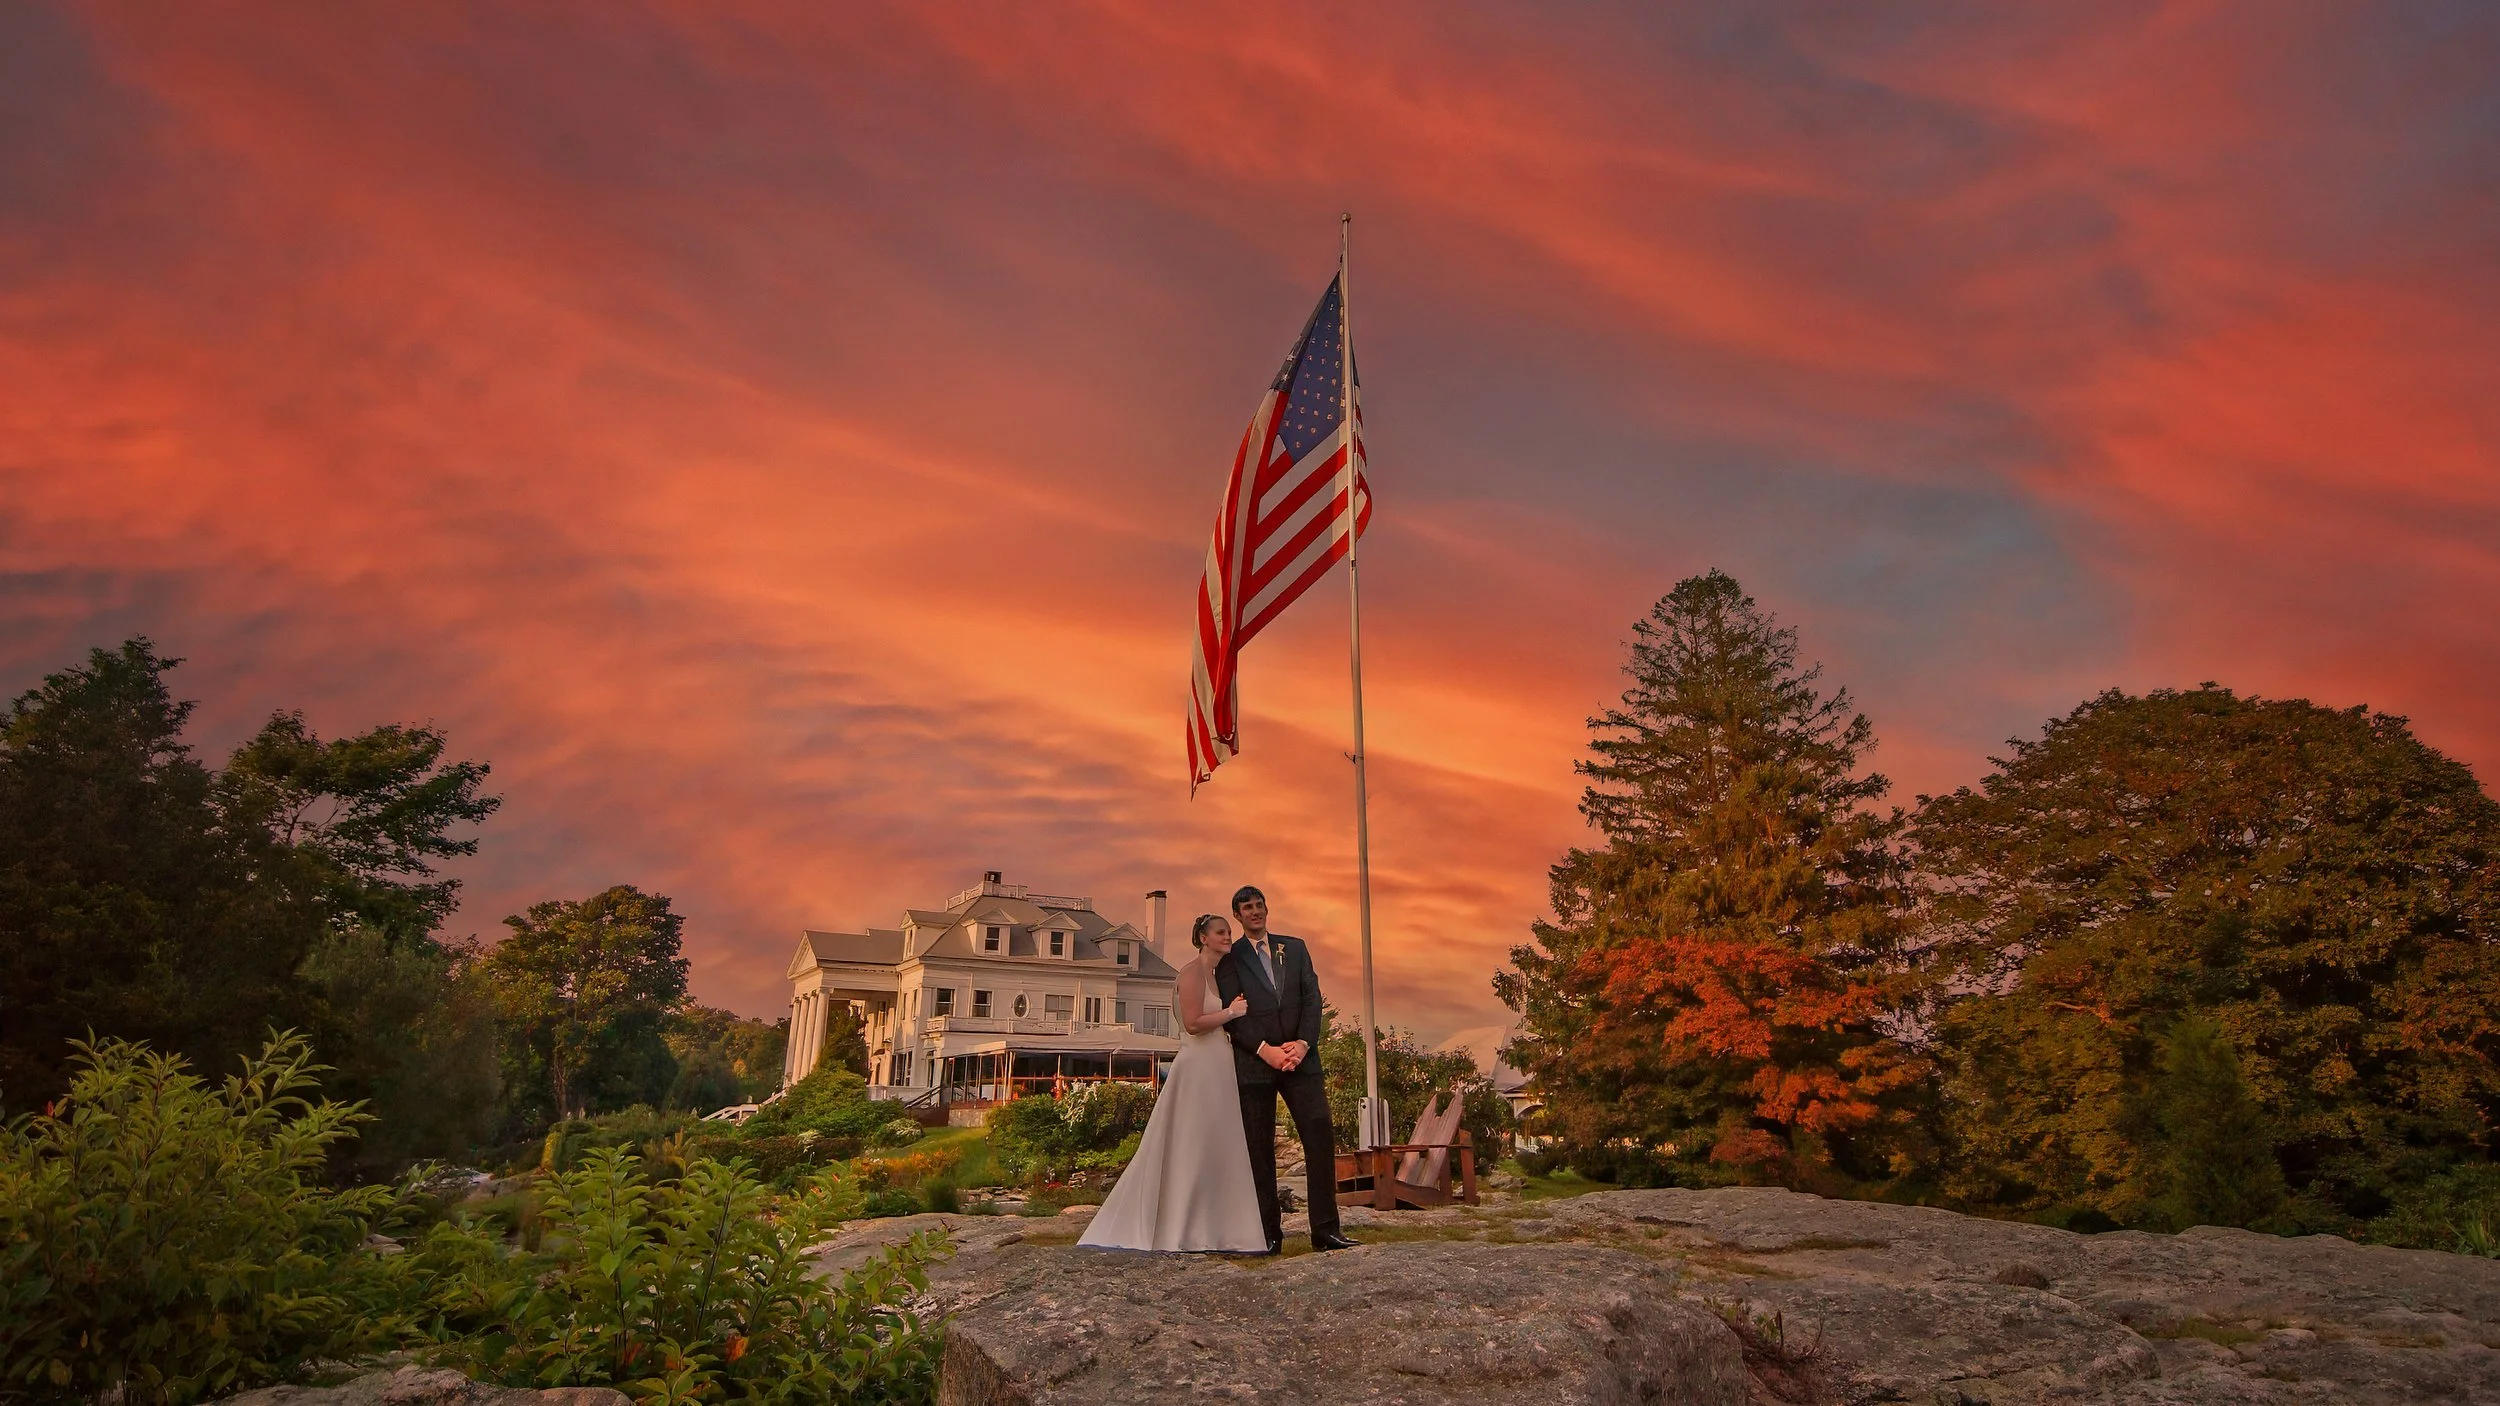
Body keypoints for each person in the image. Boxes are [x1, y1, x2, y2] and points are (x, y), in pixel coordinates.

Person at [1078, 912, 1269, 1252]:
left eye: (1228, 931)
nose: (1228, 936)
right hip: (1198, 1066)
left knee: (1216, 1142)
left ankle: (1218, 1229)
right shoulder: (1192, 973)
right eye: (1221, 932)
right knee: (1191, 1141)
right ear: (1203, 938)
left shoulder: (1215, 974)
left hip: (1218, 1065)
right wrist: (1231, 1013)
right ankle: (1180, 1227)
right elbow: (1194, 1023)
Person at [1212, 885, 1359, 1254]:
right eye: (1247, 907)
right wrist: (1266, 1050)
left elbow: (1312, 999)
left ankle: (1326, 1231)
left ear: (1267, 909)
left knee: (1319, 1134)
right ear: (1237, 915)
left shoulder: (1294, 948)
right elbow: (1233, 1014)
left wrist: (1304, 1044)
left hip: (1301, 1059)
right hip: (1257, 1064)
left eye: (1259, 905)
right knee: (1259, 1149)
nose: (1255, 912)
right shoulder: (1229, 959)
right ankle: (1268, 1236)